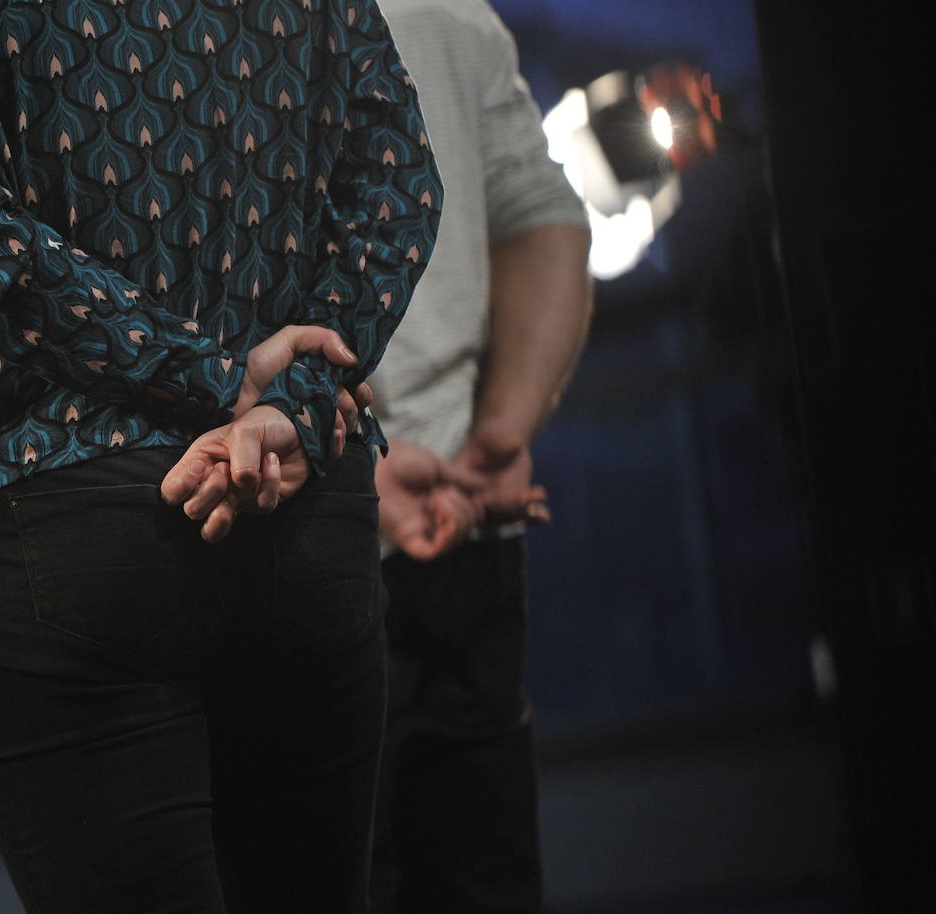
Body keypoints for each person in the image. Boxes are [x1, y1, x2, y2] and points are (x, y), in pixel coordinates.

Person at [0, 1, 442, 912]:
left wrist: (219, 382)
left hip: (51, 508)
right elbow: (400, 182)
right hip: (296, 501)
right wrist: (293, 403)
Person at [362, 1, 592, 911]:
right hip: (463, 517)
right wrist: (505, 428)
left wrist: (353, 473)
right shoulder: (453, 7)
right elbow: (544, 216)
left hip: (317, 537)